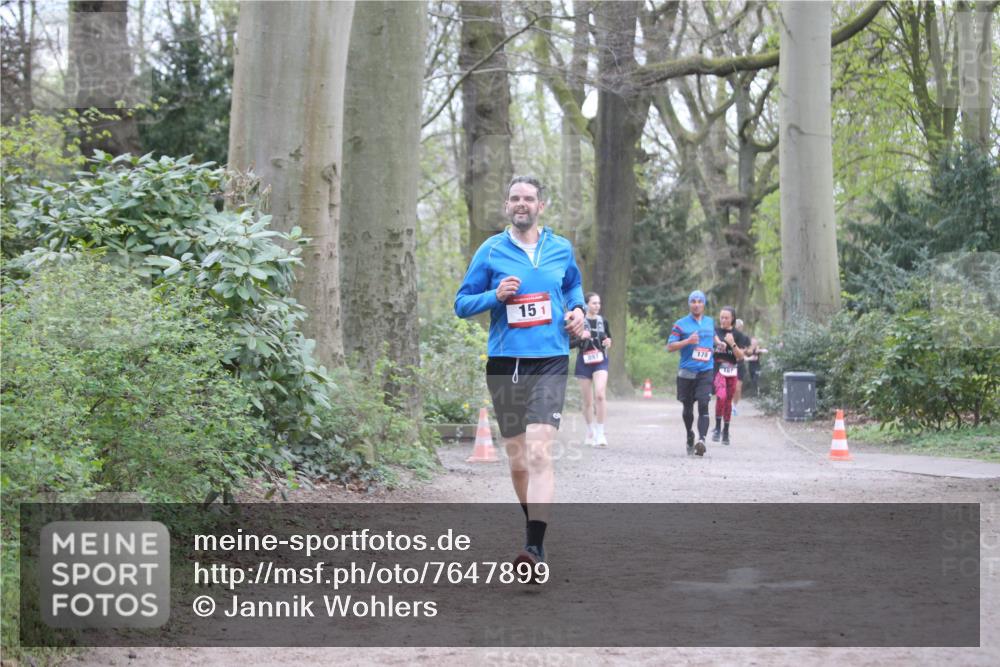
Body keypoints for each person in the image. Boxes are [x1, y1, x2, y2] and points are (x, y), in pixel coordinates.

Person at [454, 175, 586, 572]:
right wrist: (494, 296)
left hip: (550, 360)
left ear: (541, 206)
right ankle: (535, 526)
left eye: (528, 198)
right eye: (515, 198)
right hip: (505, 364)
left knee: (539, 451)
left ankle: (534, 549)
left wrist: (578, 312)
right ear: (507, 206)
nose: (521, 204)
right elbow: (461, 304)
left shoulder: (560, 248)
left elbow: (573, 288)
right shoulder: (491, 250)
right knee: (518, 462)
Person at [666, 291, 715, 456]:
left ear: (704, 304)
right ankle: (689, 434)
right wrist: (688, 341)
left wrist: (720, 344)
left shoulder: (710, 322)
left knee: (703, 403)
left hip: (706, 370)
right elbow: (670, 346)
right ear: (689, 304)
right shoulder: (680, 324)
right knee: (688, 408)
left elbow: (713, 338)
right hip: (687, 372)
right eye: (693, 301)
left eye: (700, 301)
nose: (696, 304)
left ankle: (702, 440)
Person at [571, 292, 612, 447]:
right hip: (584, 361)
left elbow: (608, 338)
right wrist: (580, 337)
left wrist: (608, 342)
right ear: (586, 304)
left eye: (598, 303)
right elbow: (569, 344)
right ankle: (590, 431)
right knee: (587, 401)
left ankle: (600, 433)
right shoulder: (578, 322)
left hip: (600, 361)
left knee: (600, 395)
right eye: (594, 303)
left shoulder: (603, 321)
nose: (597, 306)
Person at [712, 307, 751, 445]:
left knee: (728, 401)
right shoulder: (715, 331)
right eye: (721, 317)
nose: (723, 320)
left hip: (732, 371)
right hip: (718, 370)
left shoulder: (738, 335)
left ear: (732, 319)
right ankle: (717, 428)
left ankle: (726, 431)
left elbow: (740, 357)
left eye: (726, 318)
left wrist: (732, 343)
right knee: (721, 396)